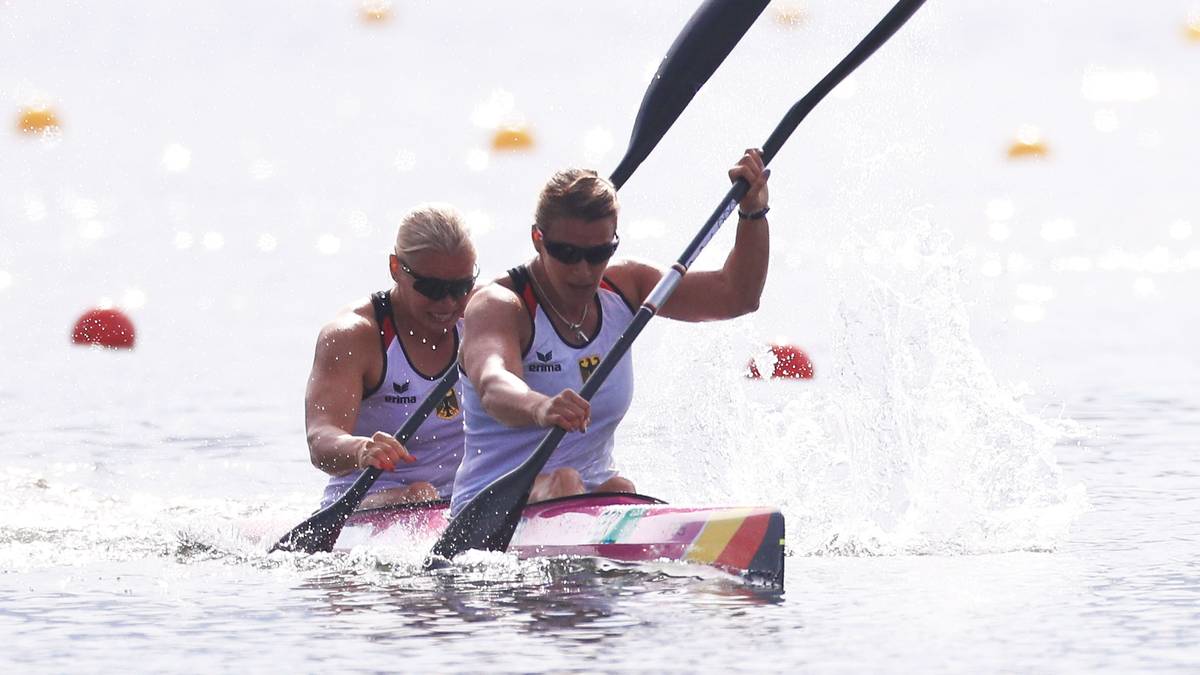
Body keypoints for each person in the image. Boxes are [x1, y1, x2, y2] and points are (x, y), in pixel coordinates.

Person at [450, 149, 770, 515]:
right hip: (488, 510)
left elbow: (736, 296)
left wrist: (752, 212)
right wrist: (541, 407)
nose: (584, 271)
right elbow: (493, 383)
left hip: (590, 497)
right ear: (538, 238)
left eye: (599, 253)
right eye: (567, 253)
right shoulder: (499, 304)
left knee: (620, 488)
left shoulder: (626, 287)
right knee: (566, 480)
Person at [306, 203, 477, 510]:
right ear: (396, 268)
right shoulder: (353, 335)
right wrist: (360, 449)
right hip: (369, 502)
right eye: (432, 288)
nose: (449, 303)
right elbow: (320, 440)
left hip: (462, 499)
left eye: (462, 287)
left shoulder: (484, 315)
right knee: (421, 494)